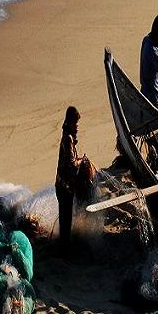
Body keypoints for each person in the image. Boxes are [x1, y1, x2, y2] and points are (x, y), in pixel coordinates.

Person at [54, 106, 84, 255]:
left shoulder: (67, 137)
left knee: (65, 218)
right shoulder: (68, 139)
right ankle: (64, 250)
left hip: (62, 184)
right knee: (66, 220)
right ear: (71, 122)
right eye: (76, 123)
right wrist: (82, 161)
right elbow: (72, 164)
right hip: (64, 186)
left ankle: (64, 247)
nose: (77, 127)